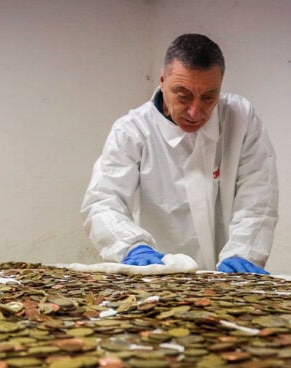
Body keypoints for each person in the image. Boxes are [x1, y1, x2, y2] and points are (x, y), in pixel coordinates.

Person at [81, 34, 278, 274]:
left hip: (228, 280)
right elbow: (103, 201)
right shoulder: (132, 130)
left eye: (208, 97)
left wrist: (245, 252)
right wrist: (131, 247)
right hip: (158, 272)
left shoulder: (241, 118)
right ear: (162, 81)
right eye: (183, 96)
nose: (195, 112)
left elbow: (258, 198)